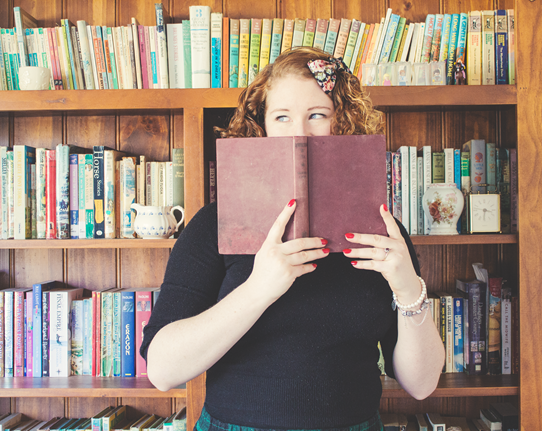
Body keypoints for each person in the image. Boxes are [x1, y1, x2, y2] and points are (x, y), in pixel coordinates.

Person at [141, 47, 445, 431]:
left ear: (342, 124)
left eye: (317, 115)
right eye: (282, 116)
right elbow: (163, 370)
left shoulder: (383, 233)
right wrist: (260, 289)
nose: (299, 132)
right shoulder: (214, 224)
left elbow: (422, 384)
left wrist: (408, 288)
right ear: (262, 126)